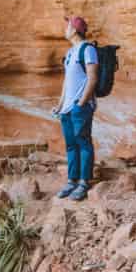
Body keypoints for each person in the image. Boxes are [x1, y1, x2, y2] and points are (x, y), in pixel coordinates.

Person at [53, 13, 98, 200]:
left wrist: (80, 103)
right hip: (67, 109)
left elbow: (93, 78)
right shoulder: (70, 52)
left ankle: (84, 181)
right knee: (71, 145)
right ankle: (72, 180)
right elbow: (67, 82)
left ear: (74, 30)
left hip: (81, 106)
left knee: (83, 143)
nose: (65, 29)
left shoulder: (87, 50)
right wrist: (60, 104)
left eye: (68, 26)